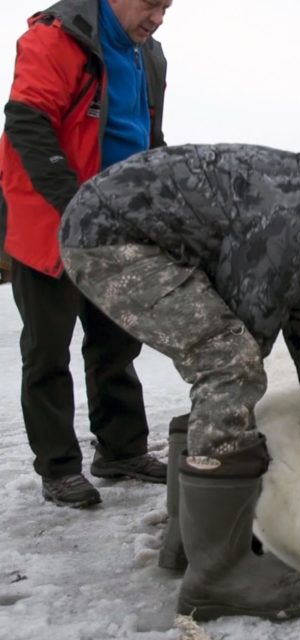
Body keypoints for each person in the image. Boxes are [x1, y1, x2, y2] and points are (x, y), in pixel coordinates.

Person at [58, 141, 300, 621]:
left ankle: (186, 542)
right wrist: (243, 442)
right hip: (110, 239)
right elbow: (244, 335)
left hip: (137, 234)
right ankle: (218, 573)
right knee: (229, 363)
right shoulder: (299, 220)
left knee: (225, 365)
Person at [0, 0, 173, 509]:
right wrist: (77, 206)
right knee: (48, 350)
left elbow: (147, 135)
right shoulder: (56, 39)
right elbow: (28, 124)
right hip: (48, 219)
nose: (159, 17)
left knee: (115, 343)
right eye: (151, 4)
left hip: (118, 225)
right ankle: (58, 468)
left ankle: (121, 450)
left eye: (167, 7)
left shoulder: (149, 56)